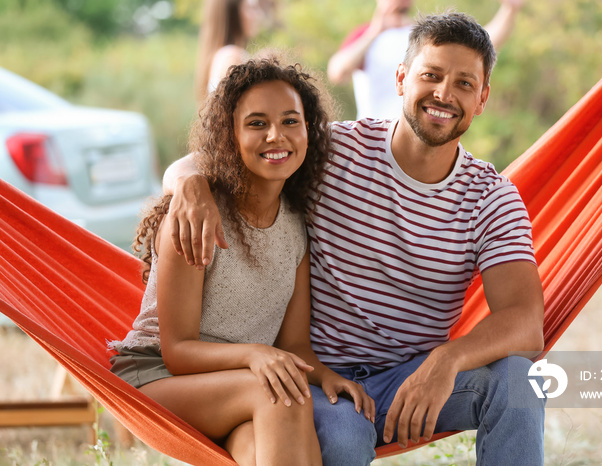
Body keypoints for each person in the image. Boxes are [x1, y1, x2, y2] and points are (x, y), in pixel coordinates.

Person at [164, 13, 546, 465]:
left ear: (482, 98)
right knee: (343, 440)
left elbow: (526, 323)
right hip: (320, 380)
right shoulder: (335, 151)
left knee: (522, 383)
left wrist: (446, 362)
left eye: (464, 83)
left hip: (415, 377)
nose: (444, 94)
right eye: (431, 75)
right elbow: (216, 156)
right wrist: (190, 183)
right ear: (401, 79)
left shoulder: (491, 198)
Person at [108, 58, 374, 466]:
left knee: (256, 450)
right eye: (256, 123)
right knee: (281, 393)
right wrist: (254, 355)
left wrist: (327, 376)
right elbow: (177, 350)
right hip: (158, 377)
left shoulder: (295, 225)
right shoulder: (198, 216)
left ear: (308, 131)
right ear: (229, 135)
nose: (275, 136)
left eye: (290, 121)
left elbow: (293, 345)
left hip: (238, 386)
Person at [326, 0, 525, 120]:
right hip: (375, 136)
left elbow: (484, 45)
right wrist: (376, 30)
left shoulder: (425, 36)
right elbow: (337, 72)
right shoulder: (366, 36)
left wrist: (509, 10)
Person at [194, 0, 265, 103]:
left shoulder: (222, 55)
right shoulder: (232, 56)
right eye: (251, 8)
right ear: (233, 14)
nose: (259, 15)